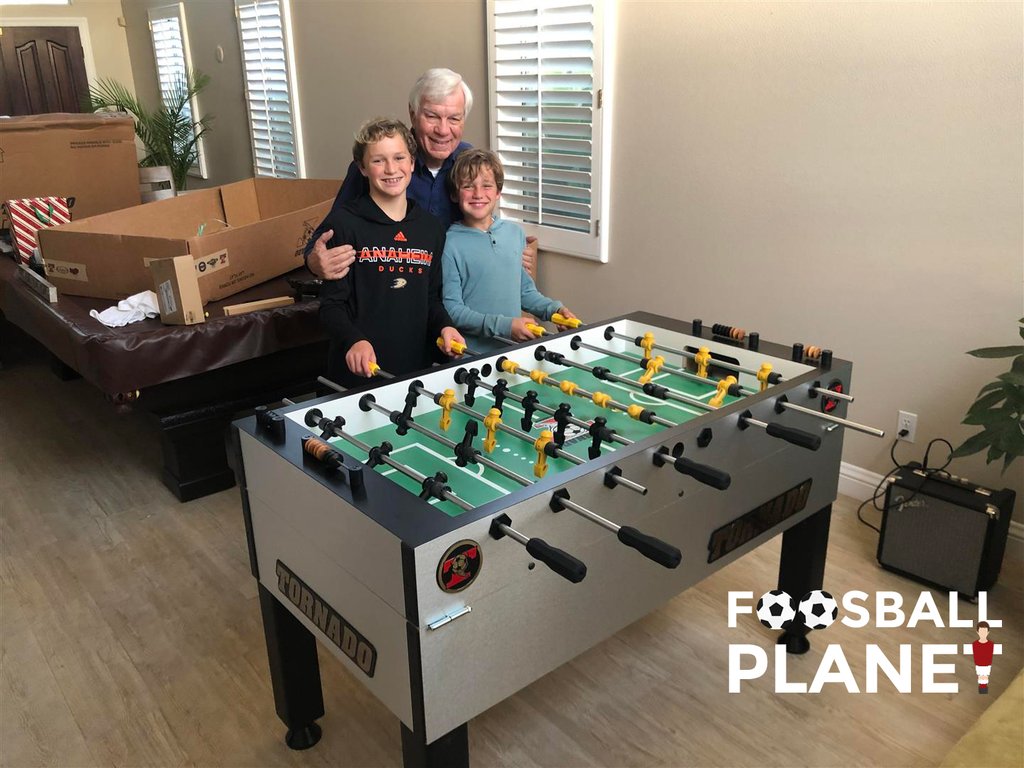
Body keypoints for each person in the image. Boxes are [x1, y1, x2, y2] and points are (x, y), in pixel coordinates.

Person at [305, 68, 537, 281]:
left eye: (454, 118)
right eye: (432, 116)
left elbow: (483, 224)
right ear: (413, 113)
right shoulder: (383, 167)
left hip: (453, 292)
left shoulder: (470, 163)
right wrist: (315, 262)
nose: (443, 130)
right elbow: (323, 240)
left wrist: (511, 252)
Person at [319, 117, 464, 387]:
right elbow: (331, 305)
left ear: (412, 162)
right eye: (378, 160)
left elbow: (432, 298)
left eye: (399, 158)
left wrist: (445, 326)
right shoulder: (343, 224)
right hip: (358, 372)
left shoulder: (430, 229)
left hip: (416, 372)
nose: (390, 169)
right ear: (362, 168)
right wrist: (354, 340)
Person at [441, 149, 576, 354]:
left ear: (498, 192)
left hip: (514, 350)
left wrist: (554, 310)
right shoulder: (449, 244)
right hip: (471, 356)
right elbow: (453, 311)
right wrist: (505, 326)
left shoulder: (514, 234)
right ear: (454, 194)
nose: (478, 194)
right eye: (468, 186)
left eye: (487, 186)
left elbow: (525, 292)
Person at [972, 621, 994, 694]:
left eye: (984, 631)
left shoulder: (990, 644)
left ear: (988, 632)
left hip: (987, 664)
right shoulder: (975, 644)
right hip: (980, 664)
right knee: (982, 677)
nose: (983, 634)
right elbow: (976, 655)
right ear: (977, 632)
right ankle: (983, 689)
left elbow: (990, 655)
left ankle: (983, 689)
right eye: (981, 631)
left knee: (984, 677)